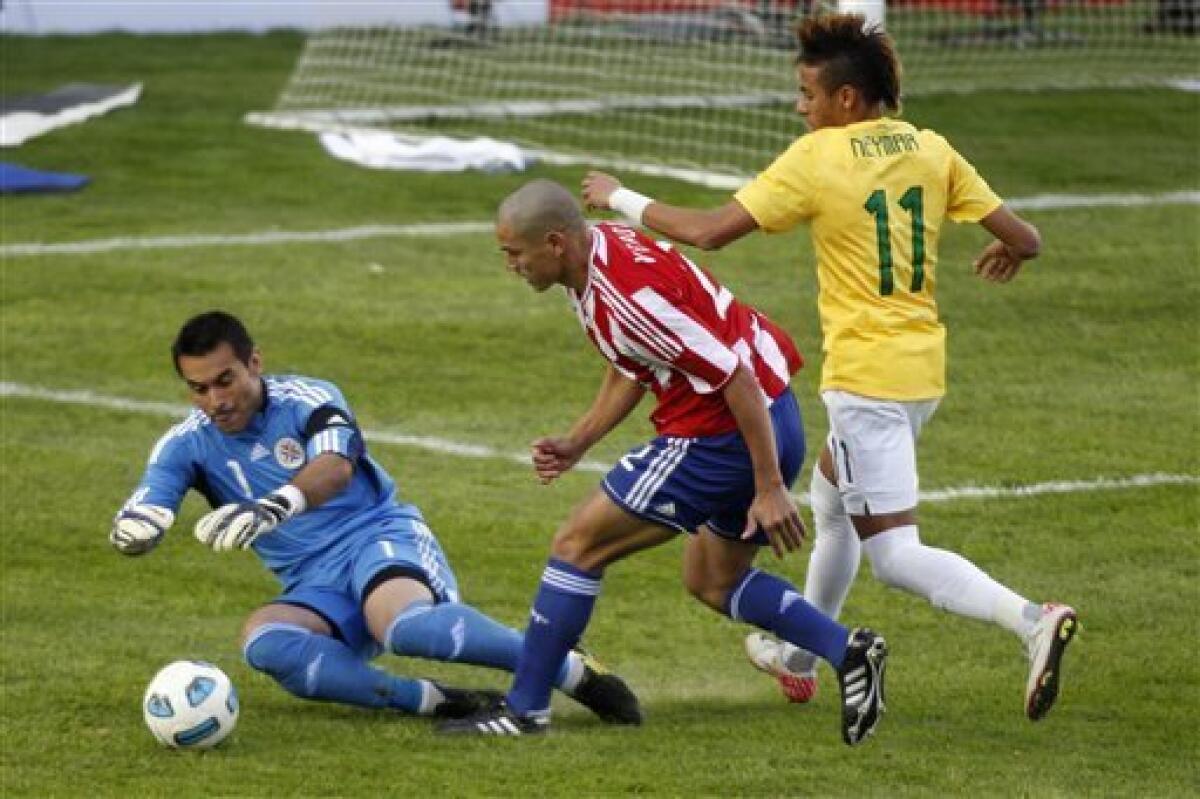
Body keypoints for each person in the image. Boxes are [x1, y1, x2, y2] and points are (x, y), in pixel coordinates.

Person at [580, 13, 1077, 722]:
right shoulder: (930, 148)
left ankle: (1032, 617)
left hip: (866, 380)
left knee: (897, 555)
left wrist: (618, 197)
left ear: (846, 100)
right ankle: (798, 655)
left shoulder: (821, 158)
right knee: (833, 497)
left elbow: (711, 231)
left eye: (808, 92)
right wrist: (1012, 253)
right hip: (921, 372)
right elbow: (1025, 237)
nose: (799, 106)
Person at [438, 179, 888, 745]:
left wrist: (769, 486)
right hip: (773, 414)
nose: (510, 265)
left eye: (513, 253)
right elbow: (635, 358)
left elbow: (732, 377)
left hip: (724, 433)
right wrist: (580, 439)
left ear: (554, 243)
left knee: (577, 544)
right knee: (713, 580)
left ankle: (525, 709)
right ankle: (848, 652)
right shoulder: (604, 250)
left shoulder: (626, 296)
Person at [110, 310, 641, 725]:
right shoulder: (186, 444)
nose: (215, 401)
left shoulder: (309, 399)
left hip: (378, 539)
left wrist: (273, 506)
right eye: (198, 389)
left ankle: (567, 667)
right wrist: (139, 527)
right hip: (314, 583)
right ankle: (434, 701)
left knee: (404, 629)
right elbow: (152, 499)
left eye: (225, 381)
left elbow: (335, 468)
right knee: (264, 643)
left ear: (254, 363)